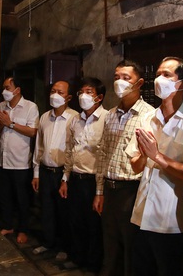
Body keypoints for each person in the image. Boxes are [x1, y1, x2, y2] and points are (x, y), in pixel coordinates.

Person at [126, 57, 183, 276]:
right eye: (158, 74)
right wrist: (144, 156)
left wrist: (157, 156)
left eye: (166, 75)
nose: (158, 80)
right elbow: (135, 166)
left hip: (170, 221)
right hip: (141, 215)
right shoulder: (147, 118)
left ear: (181, 83)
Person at [95, 59, 155, 276]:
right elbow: (103, 154)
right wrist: (99, 191)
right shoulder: (111, 114)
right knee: (110, 245)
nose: (120, 82)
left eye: (126, 78)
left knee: (131, 246)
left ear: (139, 83)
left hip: (132, 189)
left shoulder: (149, 115)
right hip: (110, 189)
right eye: (116, 77)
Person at [59, 77, 108, 271]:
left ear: (99, 97)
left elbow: (104, 155)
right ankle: (77, 258)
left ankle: (93, 263)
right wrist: (65, 178)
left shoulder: (106, 118)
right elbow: (70, 150)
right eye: (81, 92)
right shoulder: (75, 120)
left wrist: (99, 191)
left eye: (89, 92)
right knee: (75, 221)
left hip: (93, 181)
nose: (83, 96)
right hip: (76, 179)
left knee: (93, 225)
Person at [31, 80, 77, 259]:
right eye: (53, 91)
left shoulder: (75, 118)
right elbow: (38, 147)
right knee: (47, 209)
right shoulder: (44, 117)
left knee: (63, 212)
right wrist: (36, 173)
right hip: (45, 170)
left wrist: (66, 177)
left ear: (69, 97)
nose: (55, 95)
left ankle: (64, 247)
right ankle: (48, 243)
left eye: (60, 92)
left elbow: (74, 149)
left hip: (62, 173)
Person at [0, 76, 39, 245]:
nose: (4, 91)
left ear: (17, 90)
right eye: (4, 88)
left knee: (22, 200)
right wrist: (1, 124)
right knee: (4, 197)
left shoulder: (30, 107)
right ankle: (8, 225)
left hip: (21, 162)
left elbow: (32, 132)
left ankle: (23, 229)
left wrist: (10, 123)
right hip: (2, 159)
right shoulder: (1, 106)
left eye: (7, 88)